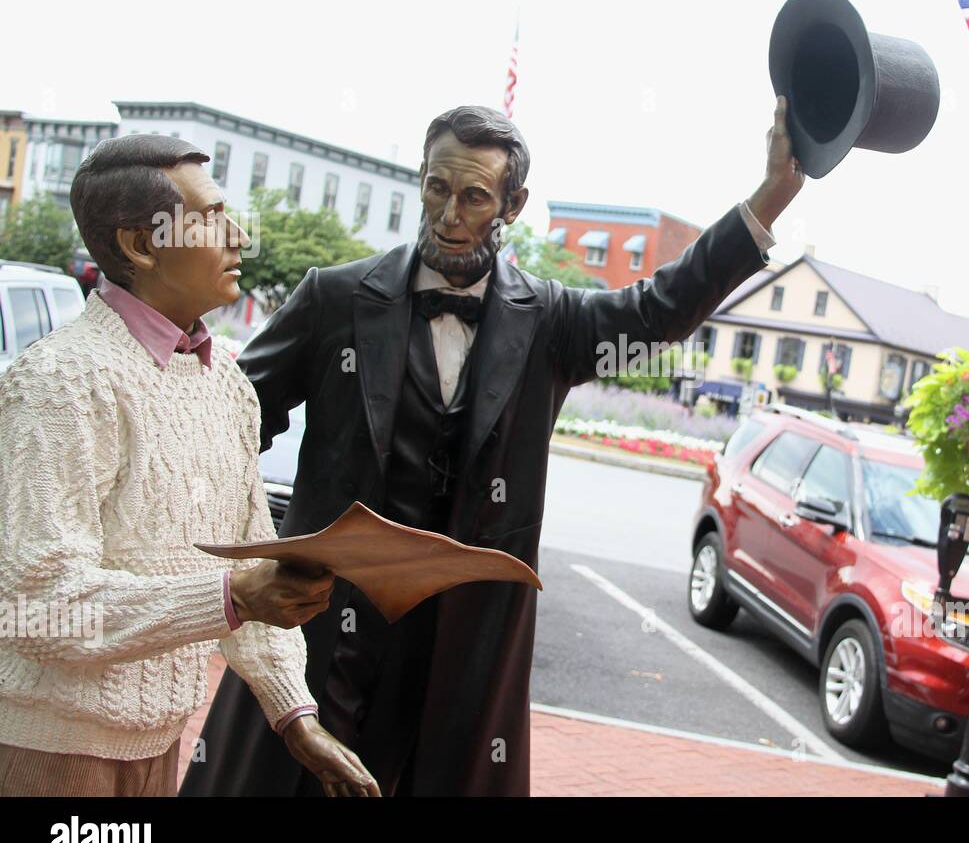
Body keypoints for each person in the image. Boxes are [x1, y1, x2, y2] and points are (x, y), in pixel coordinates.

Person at [184, 97, 803, 796]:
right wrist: (253, 545)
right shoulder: (334, 299)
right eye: (436, 188)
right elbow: (225, 421)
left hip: (460, 647)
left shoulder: (552, 323)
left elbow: (657, 310)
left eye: (474, 196)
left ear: (512, 204)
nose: (450, 214)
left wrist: (770, 200)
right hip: (323, 627)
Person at [0, 135, 379, 796]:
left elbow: (245, 573)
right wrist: (229, 599)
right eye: (210, 217)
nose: (238, 236)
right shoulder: (61, 381)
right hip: (49, 749)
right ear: (140, 246)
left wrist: (296, 715)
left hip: (160, 746)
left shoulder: (227, 388)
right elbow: (36, 604)